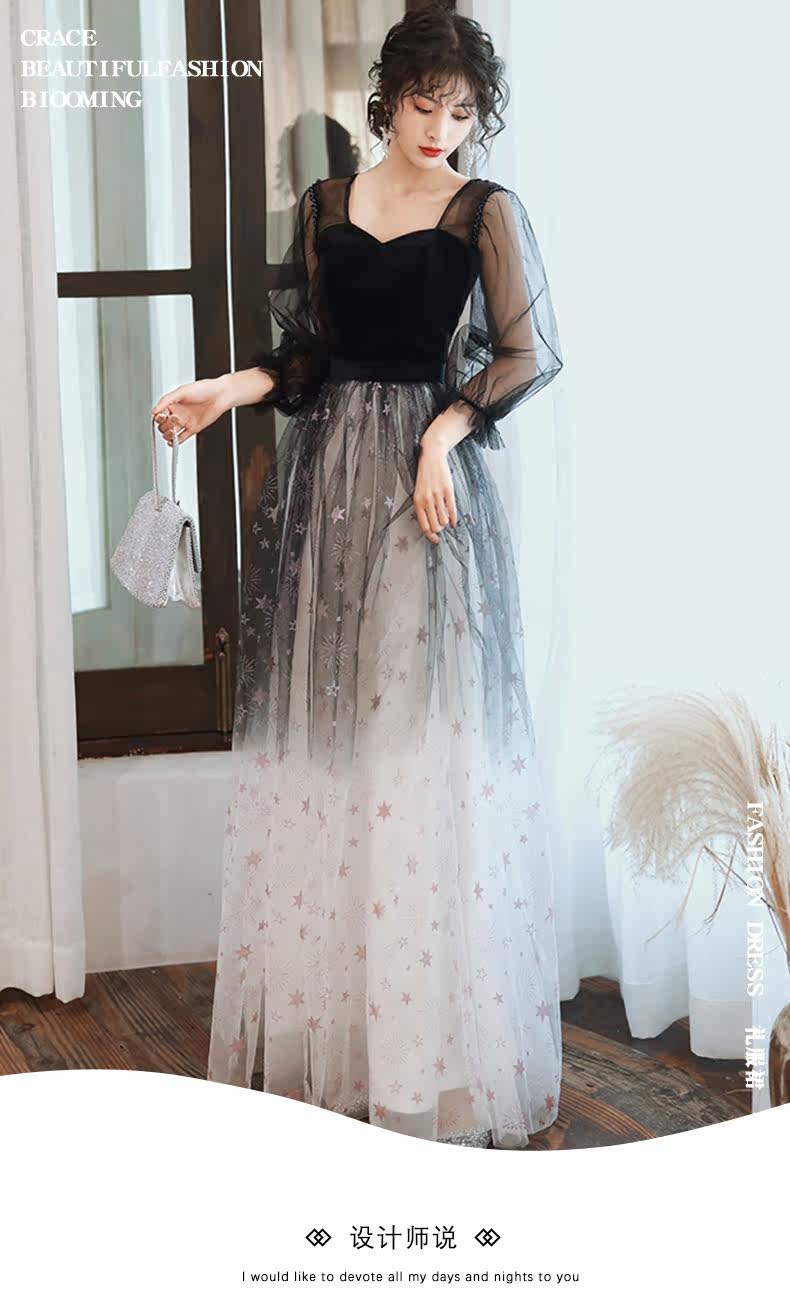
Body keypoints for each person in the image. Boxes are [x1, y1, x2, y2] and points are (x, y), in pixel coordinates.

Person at [152, 1, 563, 1148]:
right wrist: (224, 390)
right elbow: (310, 358)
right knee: (334, 746)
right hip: (325, 490)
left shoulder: (485, 211)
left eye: (463, 112)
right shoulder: (326, 205)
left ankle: (427, 1052)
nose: (441, 129)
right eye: (426, 104)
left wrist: (442, 436)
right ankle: (349, 1034)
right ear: (389, 99)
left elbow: (526, 353)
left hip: (427, 501)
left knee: (415, 746)